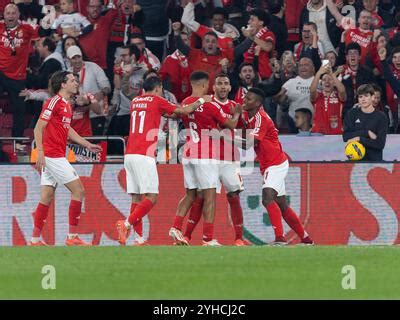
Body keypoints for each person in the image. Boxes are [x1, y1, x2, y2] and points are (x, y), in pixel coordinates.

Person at [115, 76, 211, 246]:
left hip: (129, 154)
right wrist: (203, 100)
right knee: (152, 197)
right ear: (158, 88)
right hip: (144, 153)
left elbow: (162, 113)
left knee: (136, 198)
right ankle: (126, 224)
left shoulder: (135, 101)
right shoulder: (157, 100)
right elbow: (185, 111)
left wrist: (170, 113)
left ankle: (139, 239)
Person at [220, 88, 314, 245]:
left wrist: (227, 139)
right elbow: (240, 130)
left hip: (275, 164)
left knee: (267, 197)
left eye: (249, 99)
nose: (244, 100)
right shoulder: (249, 116)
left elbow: (249, 143)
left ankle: (280, 238)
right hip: (270, 164)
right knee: (282, 205)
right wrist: (235, 117)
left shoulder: (260, 118)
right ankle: (307, 240)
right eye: (245, 97)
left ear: (257, 103)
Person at [29, 70, 102, 246]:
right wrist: (40, 153)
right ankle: (72, 237)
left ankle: (35, 239)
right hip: (53, 156)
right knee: (79, 191)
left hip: (54, 155)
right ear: (63, 84)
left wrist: (87, 144)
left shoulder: (66, 104)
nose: (76, 83)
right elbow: (38, 128)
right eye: (72, 80)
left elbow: (68, 130)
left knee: (46, 197)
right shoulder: (53, 102)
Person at [169, 71, 241, 247]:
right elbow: (231, 125)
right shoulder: (210, 105)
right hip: (206, 154)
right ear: (204, 85)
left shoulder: (185, 103)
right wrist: (237, 114)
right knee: (210, 197)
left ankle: (176, 226)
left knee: (191, 194)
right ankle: (208, 239)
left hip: (187, 153)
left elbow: (176, 114)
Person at [0, 3, 39, 151]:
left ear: (18, 15)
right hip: (0, 73)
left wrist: (48, 23)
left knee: (19, 110)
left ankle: (17, 142)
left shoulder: (27, 29)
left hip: (18, 76)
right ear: (4, 15)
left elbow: (42, 31)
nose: (10, 16)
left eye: (13, 13)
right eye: (8, 13)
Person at [67, 45, 111, 135]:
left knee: (96, 144)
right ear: (69, 60)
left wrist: (98, 95)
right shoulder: (67, 73)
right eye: (73, 58)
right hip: (78, 117)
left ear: (82, 56)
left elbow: (107, 87)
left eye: (78, 57)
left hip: (96, 115)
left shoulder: (93, 67)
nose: (77, 60)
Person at [343, 84, 388, 161]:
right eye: (360, 97)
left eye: (366, 96)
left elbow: (380, 144)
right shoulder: (352, 113)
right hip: (355, 161)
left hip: (374, 162)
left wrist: (359, 139)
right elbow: (346, 136)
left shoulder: (381, 117)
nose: (363, 99)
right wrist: (367, 133)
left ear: (373, 97)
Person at [276, 57, 315, 133]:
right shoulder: (290, 82)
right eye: (301, 65)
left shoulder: (318, 82)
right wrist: (280, 97)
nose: (303, 67)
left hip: (314, 124)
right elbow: (279, 99)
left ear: (313, 68)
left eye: (306, 65)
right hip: (293, 125)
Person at [310, 63, 346, 134]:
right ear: (321, 83)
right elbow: (312, 90)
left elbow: (342, 91)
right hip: (318, 134)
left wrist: (332, 74)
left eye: (330, 79)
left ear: (334, 83)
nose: (327, 82)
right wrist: (319, 73)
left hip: (336, 134)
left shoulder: (338, 96)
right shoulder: (318, 96)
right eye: (324, 80)